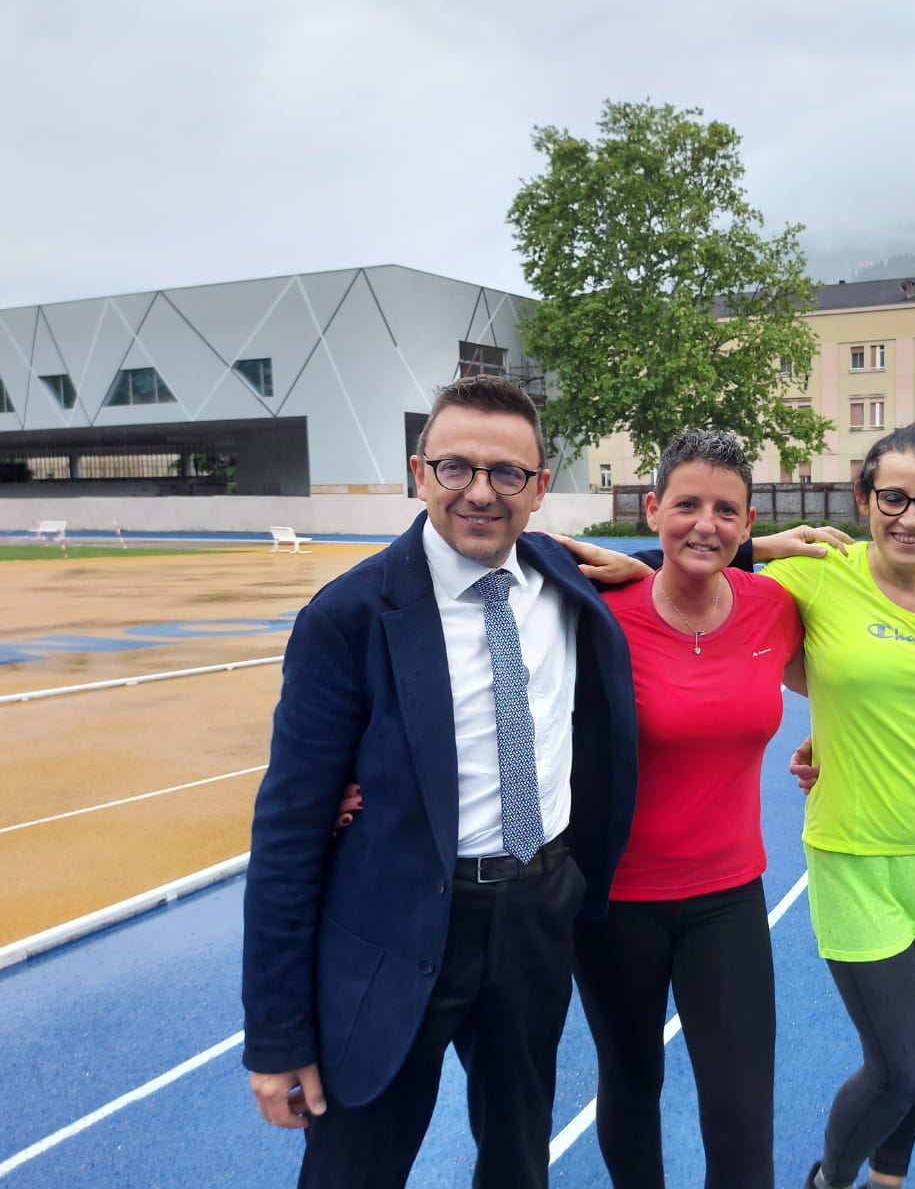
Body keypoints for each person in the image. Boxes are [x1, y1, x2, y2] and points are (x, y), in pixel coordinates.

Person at [240, 373, 637, 1189]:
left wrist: (759, 549)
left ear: (539, 488)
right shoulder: (347, 617)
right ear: (420, 474)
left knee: (520, 1156)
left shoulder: (565, 580)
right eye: (456, 467)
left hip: (535, 912)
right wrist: (275, 1036)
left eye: (507, 473)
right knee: (354, 1166)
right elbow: (286, 834)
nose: (481, 492)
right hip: (395, 929)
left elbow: (685, 557)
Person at [769, 422, 915, 1189]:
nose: (910, 517)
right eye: (893, 498)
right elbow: (689, 566)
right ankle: (831, 1181)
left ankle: (887, 1181)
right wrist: (765, 545)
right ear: (864, 497)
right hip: (856, 856)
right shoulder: (816, 575)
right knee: (900, 1065)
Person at [567, 429, 805, 1189]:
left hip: (727, 899)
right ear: (652, 509)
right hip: (616, 903)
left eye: (726, 511)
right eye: (686, 506)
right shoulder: (600, 608)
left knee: (742, 1112)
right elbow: (514, 555)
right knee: (631, 1082)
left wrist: (831, 740)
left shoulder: (774, 607)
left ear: (749, 521)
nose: (707, 523)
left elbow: (856, 671)